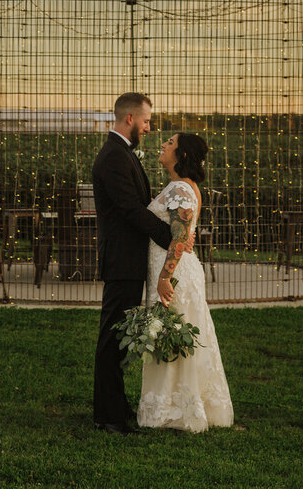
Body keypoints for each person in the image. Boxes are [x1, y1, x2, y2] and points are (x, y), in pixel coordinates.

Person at [91, 92, 192, 435]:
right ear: (130, 119)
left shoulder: (122, 154)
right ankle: (108, 417)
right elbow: (131, 211)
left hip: (129, 259)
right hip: (122, 260)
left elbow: (140, 204)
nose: (150, 127)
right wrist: (172, 236)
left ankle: (113, 409)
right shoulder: (113, 157)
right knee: (111, 338)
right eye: (146, 121)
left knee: (117, 337)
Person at [137, 132, 233, 432]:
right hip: (174, 269)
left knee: (173, 335)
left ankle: (175, 409)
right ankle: (174, 404)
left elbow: (179, 237)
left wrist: (165, 278)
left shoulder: (180, 187)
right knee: (175, 336)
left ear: (181, 155)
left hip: (174, 274)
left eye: (170, 143)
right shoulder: (181, 185)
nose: (163, 145)